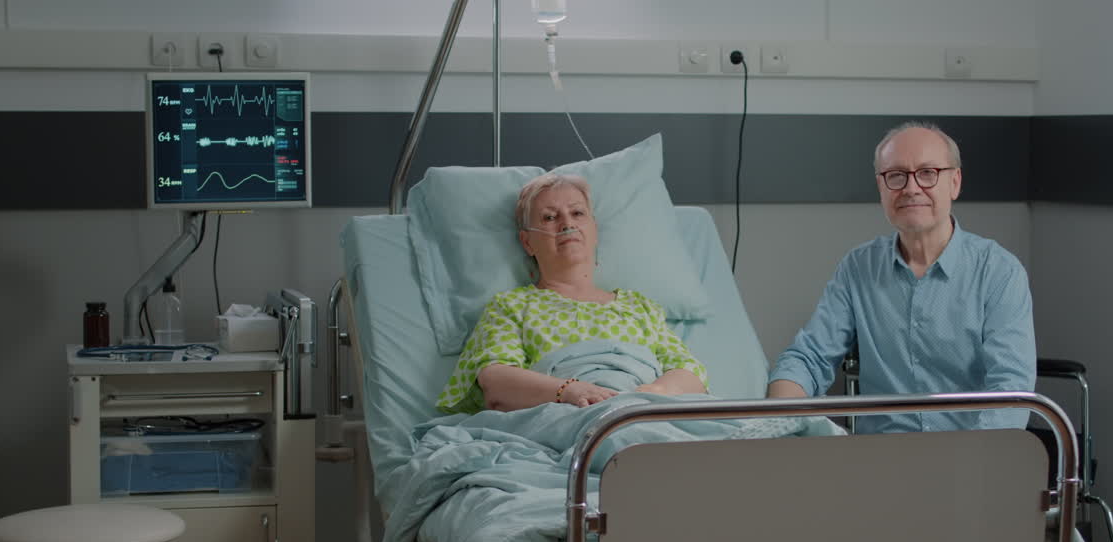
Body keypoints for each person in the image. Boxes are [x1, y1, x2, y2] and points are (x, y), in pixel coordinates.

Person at [767, 121, 1035, 433]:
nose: (910, 188)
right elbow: (809, 357)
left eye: (927, 173)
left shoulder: (999, 272)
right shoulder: (858, 268)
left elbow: (1010, 392)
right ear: (881, 187)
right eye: (896, 175)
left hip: (971, 454)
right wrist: (778, 422)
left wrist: (971, 464)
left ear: (955, 182)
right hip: (882, 461)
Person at [436, 173, 708, 414]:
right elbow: (495, 381)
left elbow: (689, 373)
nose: (567, 224)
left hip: (643, 414)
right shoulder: (512, 306)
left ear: (594, 229)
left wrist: (654, 395)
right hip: (567, 414)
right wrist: (568, 391)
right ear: (527, 242)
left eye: (577, 213)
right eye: (550, 217)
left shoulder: (641, 307)